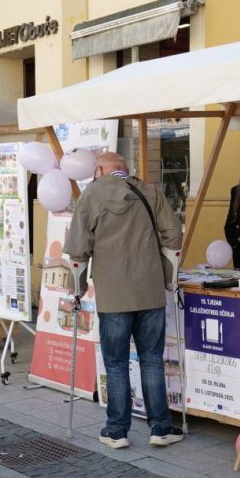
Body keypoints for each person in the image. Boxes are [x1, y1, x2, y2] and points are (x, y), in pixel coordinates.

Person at [66, 151, 184, 449]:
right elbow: (173, 233)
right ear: (126, 169)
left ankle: (117, 431)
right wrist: (168, 275)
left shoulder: (90, 195)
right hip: (149, 290)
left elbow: (78, 248)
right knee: (151, 359)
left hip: (113, 293)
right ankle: (160, 428)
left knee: (116, 363)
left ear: (100, 170)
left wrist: (77, 287)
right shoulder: (148, 190)